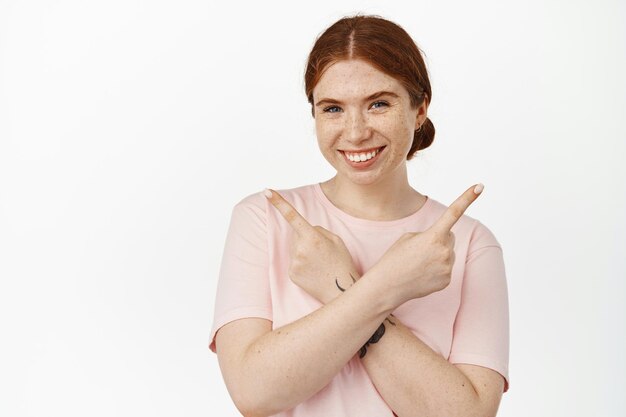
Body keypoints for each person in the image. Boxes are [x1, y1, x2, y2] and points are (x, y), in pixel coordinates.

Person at [209, 14, 509, 417]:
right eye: (333, 108)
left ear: (420, 108)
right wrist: (387, 285)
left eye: (379, 104)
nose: (354, 132)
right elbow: (253, 392)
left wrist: (339, 286)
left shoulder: (470, 245)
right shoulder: (263, 220)